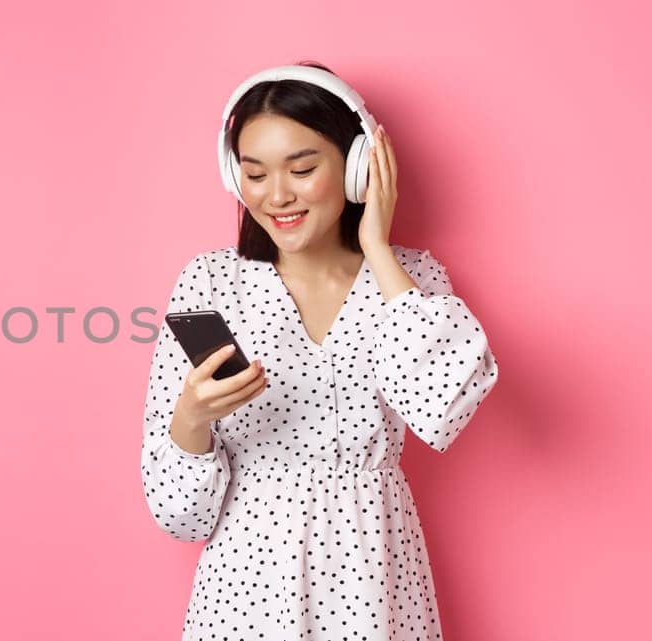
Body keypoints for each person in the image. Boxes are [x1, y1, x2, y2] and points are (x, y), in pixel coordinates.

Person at [139, 62, 501, 640]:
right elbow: (180, 516)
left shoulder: (413, 280)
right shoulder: (210, 285)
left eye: (302, 169)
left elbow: (443, 412)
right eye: (254, 174)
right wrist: (191, 418)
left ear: (359, 167)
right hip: (246, 588)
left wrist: (378, 250)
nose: (277, 195)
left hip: (374, 578)